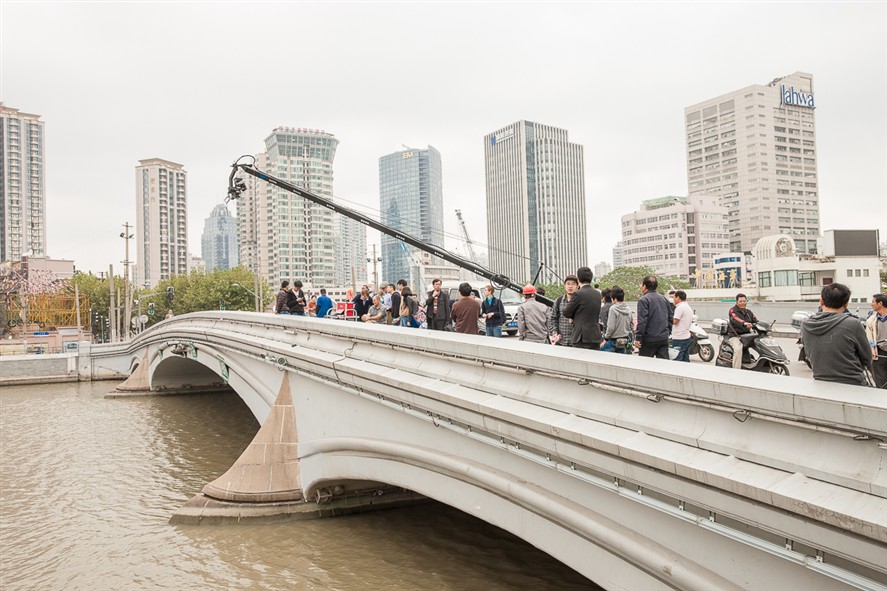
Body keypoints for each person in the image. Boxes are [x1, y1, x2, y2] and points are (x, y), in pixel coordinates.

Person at [801, 283, 872, 387]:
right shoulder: (853, 324)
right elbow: (867, 359)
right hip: (853, 385)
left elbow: (808, 354)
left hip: (820, 383)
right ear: (846, 304)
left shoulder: (806, 325)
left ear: (821, 301)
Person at [562, 267, 603, 349]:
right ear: (591, 279)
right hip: (595, 336)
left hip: (581, 337)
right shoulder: (598, 294)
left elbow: (566, 312)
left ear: (578, 279)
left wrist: (573, 317)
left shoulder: (578, 294)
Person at [634, 275, 673, 359]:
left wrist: (638, 338)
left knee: (645, 366)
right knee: (663, 366)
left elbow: (642, 321)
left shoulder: (643, 300)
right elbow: (670, 318)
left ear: (644, 286)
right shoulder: (664, 299)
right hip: (663, 338)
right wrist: (667, 332)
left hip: (648, 340)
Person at [726, 293, 759, 369]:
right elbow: (736, 319)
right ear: (737, 302)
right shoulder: (732, 311)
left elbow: (756, 321)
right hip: (736, 336)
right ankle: (736, 370)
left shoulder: (748, 312)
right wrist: (744, 323)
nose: (743, 303)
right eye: (741, 301)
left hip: (747, 336)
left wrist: (765, 326)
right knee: (738, 349)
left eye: (744, 301)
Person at [547, 274, 578, 346]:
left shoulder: (580, 301)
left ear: (577, 286)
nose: (570, 286)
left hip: (576, 343)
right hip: (561, 341)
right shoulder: (559, 301)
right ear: (564, 285)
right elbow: (552, 318)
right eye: (568, 284)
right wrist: (554, 332)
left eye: (573, 284)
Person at [601, 286, 632, 353]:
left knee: (599, 353)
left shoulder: (613, 308)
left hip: (613, 341)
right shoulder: (628, 309)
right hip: (624, 341)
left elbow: (611, 327)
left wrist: (606, 339)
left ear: (614, 299)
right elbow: (631, 325)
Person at [865, 293, 887, 388]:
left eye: (873, 301)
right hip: (879, 354)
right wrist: (872, 349)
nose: (871, 304)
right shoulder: (871, 320)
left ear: (880, 303)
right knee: (881, 383)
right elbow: (869, 337)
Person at [671, 290, 693, 362]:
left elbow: (675, 321)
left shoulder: (679, 307)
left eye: (674, 298)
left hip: (679, 338)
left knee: (677, 360)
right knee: (685, 359)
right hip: (686, 336)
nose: (674, 299)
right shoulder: (688, 307)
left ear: (678, 298)